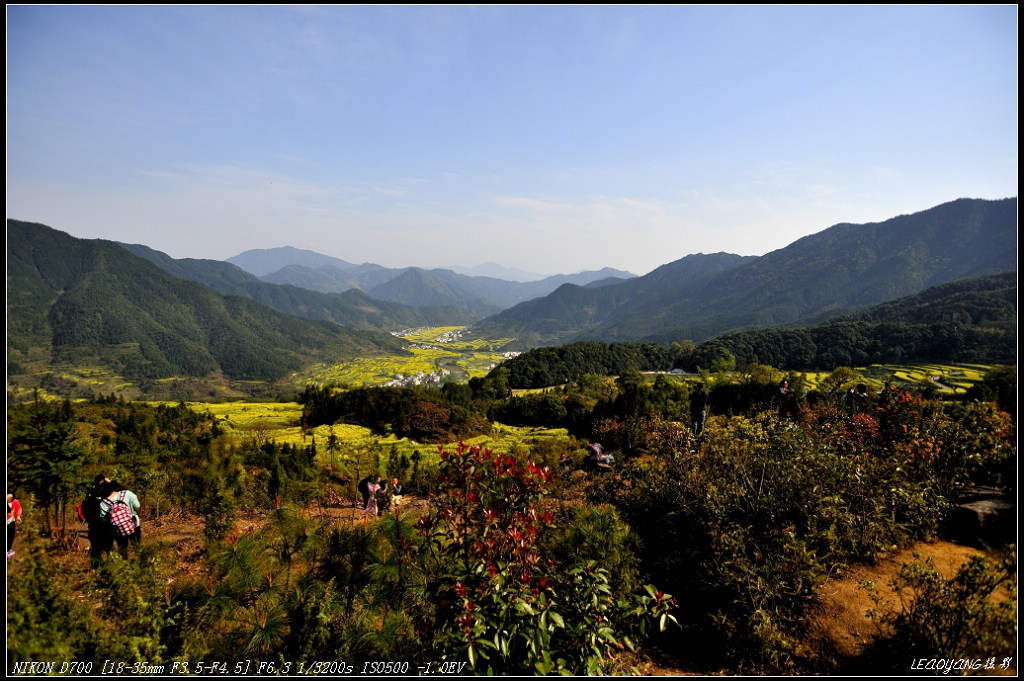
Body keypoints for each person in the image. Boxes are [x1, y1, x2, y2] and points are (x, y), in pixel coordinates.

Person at [99, 480, 141, 556]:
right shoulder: (127, 493)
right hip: (134, 524)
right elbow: (137, 506)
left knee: (122, 548)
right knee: (137, 546)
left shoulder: (104, 503)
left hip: (117, 529)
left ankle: (124, 565)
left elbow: (103, 519)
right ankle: (141, 564)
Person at [82, 475, 113, 568]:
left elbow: (85, 510)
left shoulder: (91, 493)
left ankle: (95, 568)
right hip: (103, 526)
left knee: (96, 547)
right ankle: (103, 568)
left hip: (94, 526)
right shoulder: (108, 494)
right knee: (104, 548)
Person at [7, 491, 23, 559]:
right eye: (8, 497)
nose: (10, 499)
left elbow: (19, 508)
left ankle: (8, 551)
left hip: (11, 521)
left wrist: (18, 516)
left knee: (11, 535)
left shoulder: (15, 501)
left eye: (11, 497)